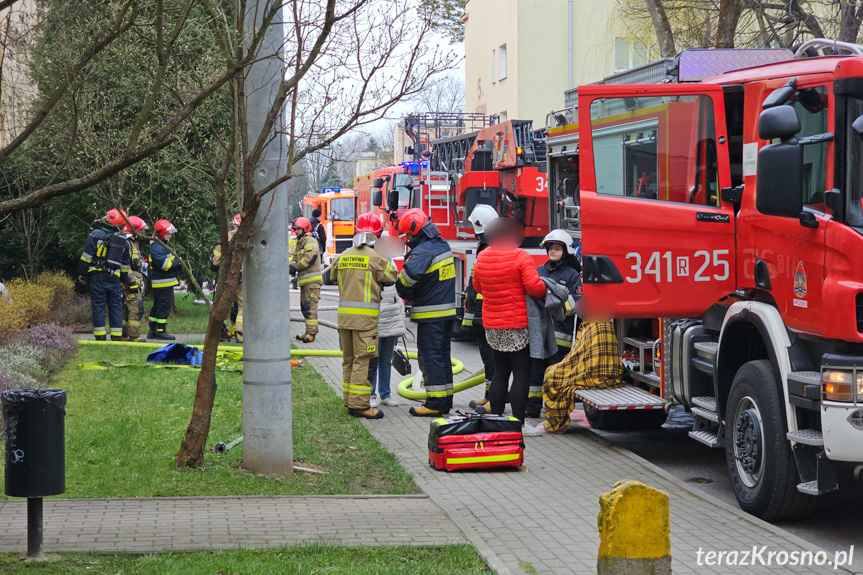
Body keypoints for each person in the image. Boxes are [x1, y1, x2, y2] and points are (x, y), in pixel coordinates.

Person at [472, 217, 547, 436]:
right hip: (516, 324)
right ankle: (518, 423)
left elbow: (478, 285)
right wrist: (545, 288)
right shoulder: (520, 256)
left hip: (492, 324)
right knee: (521, 373)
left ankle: (496, 419)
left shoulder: (483, 256)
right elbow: (534, 287)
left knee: (500, 372)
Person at [329, 222, 397, 419]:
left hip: (344, 319)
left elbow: (333, 275)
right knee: (363, 361)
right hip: (365, 321)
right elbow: (392, 277)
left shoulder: (343, 256)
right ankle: (360, 406)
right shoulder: (377, 258)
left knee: (348, 360)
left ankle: (349, 401)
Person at [395, 208, 457, 417]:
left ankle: (435, 403)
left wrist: (402, 289)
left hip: (431, 313)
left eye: (409, 235)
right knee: (442, 356)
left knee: (430, 357)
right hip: (446, 311)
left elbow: (408, 277)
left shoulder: (424, 251)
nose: (408, 240)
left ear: (416, 231)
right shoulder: (441, 244)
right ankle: (445, 399)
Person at [537, 298, 624, 434]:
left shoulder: (595, 323)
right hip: (601, 370)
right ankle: (556, 421)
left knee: (553, 376)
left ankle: (556, 424)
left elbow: (584, 356)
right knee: (553, 372)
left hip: (597, 373)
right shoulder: (597, 321)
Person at [525, 229, 583, 417]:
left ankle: (555, 409)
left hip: (561, 334)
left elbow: (576, 303)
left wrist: (553, 306)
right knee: (534, 370)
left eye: (557, 248)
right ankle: (532, 407)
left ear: (565, 250)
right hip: (539, 331)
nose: (552, 251)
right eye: (550, 248)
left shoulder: (572, 275)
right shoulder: (539, 270)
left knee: (556, 372)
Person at [356, 213, 405, 408]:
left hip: (389, 314)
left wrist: (400, 313)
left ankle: (384, 394)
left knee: (386, 359)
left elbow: (395, 285)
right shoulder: (364, 257)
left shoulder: (386, 257)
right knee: (373, 359)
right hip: (374, 315)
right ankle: (372, 394)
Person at [462, 204, 498, 411]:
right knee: (487, 357)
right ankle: (488, 395)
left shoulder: (490, 248)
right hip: (482, 313)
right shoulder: (486, 246)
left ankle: (495, 399)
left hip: (488, 313)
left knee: (493, 359)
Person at [78, 209, 132, 340]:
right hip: (114, 278)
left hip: (97, 277)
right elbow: (125, 265)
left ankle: (100, 338)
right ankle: (116, 338)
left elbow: (86, 257)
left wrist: (82, 273)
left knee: (98, 307)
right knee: (115, 307)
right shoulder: (123, 240)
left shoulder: (95, 234)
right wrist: (123, 280)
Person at [291, 216, 323, 343]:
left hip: (312, 282)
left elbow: (309, 258)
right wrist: (290, 267)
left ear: (305, 229)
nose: (296, 232)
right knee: (305, 307)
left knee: (310, 307)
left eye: (298, 229)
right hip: (305, 282)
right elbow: (295, 258)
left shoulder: (310, 241)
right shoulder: (300, 242)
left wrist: (296, 267)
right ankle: (307, 330)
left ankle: (311, 333)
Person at [147, 219, 179, 341]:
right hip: (163, 282)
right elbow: (165, 265)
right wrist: (178, 262)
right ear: (160, 233)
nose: (170, 236)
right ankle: (161, 331)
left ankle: (153, 331)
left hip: (163, 282)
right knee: (163, 306)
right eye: (168, 233)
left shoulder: (160, 246)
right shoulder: (157, 247)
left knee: (157, 306)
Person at [121, 216, 148, 342]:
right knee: (135, 308)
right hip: (129, 283)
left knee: (127, 310)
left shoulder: (132, 242)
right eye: (141, 230)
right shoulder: (127, 243)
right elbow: (126, 265)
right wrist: (132, 281)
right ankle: (134, 336)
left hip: (130, 281)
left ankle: (124, 334)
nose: (142, 233)